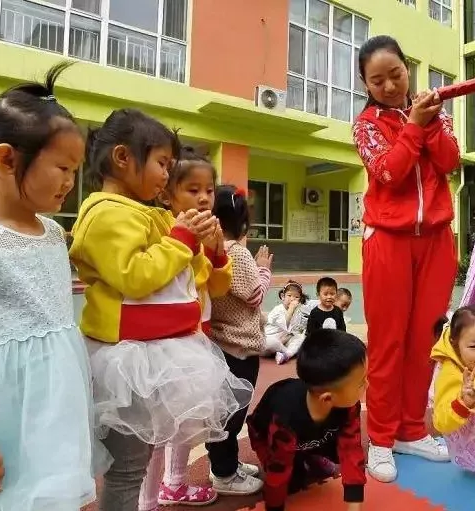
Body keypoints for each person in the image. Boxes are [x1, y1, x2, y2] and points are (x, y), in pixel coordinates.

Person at [69, 109, 254, 511]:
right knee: (127, 468)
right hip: (130, 357)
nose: (167, 175)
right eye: (162, 164)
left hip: (165, 352)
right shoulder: (106, 213)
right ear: (123, 158)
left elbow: (210, 284)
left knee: (143, 456)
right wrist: (184, 237)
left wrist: (215, 250)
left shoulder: (154, 215)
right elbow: (135, 277)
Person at [0, 62, 109, 511]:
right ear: (6, 159)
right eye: (62, 167)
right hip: (3, 417)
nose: (71, 181)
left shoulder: (52, 232)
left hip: (59, 406)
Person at [353, 34, 459, 482]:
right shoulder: (366, 125)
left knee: (425, 341)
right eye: (377, 81)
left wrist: (428, 123)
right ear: (366, 84)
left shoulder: (438, 112)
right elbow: (390, 173)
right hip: (388, 241)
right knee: (388, 343)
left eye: (395, 74)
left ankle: (412, 430)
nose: (390, 86)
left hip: (436, 240)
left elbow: (450, 162)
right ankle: (380, 437)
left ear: (408, 68)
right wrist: (414, 125)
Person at [136, 148, 234, 508]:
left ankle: (175, 482)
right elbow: (175, 278)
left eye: (209, 189)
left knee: (189, 417)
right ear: (168, 193)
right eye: (193, 190)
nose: (205, 197)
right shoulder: (163, 226)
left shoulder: (211, 227)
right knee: (157, 428)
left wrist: (218, 251)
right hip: (166, 342)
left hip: (198, 335)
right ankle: (147, 501)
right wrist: (196, 244)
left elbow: (220, 288)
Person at [247, 329, 367, 511]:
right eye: (361, 383)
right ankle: (303, 456)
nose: (367, 385)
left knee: (341, 453)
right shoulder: (286, 418)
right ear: (327, 398)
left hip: (311, 436)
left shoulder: (348, 404)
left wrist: (354, 505)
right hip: (267, 438)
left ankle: (309, 454)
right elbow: (277, 470)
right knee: (291, 482)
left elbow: (352, 450)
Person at [205, 184, 272, 497]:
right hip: (238, 346)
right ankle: (224, 473)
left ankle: (226, 463)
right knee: (231, 415)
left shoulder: (213, 251)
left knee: (225, 410)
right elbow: (254, 294)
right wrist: (264, 270)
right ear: (244, 222)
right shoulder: (237, 252)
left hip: (220, 342)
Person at [431, 305, 475, 435]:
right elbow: (440, 422)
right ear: (456, 345)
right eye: (474, 346)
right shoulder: (452, 373)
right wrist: (464, 402)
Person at [265, 282, 308, 365]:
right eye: (289, 295)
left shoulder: (298, 310)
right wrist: (291, 308)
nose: (292, 299)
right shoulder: (277, 310)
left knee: (301, 337)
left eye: (296, 297)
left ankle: (285, 355)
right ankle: (287, 352)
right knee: (272, 342)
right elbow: (285, 324)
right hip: (270, 341)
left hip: (284, 340)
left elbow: (296, 328)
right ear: (282, 296)